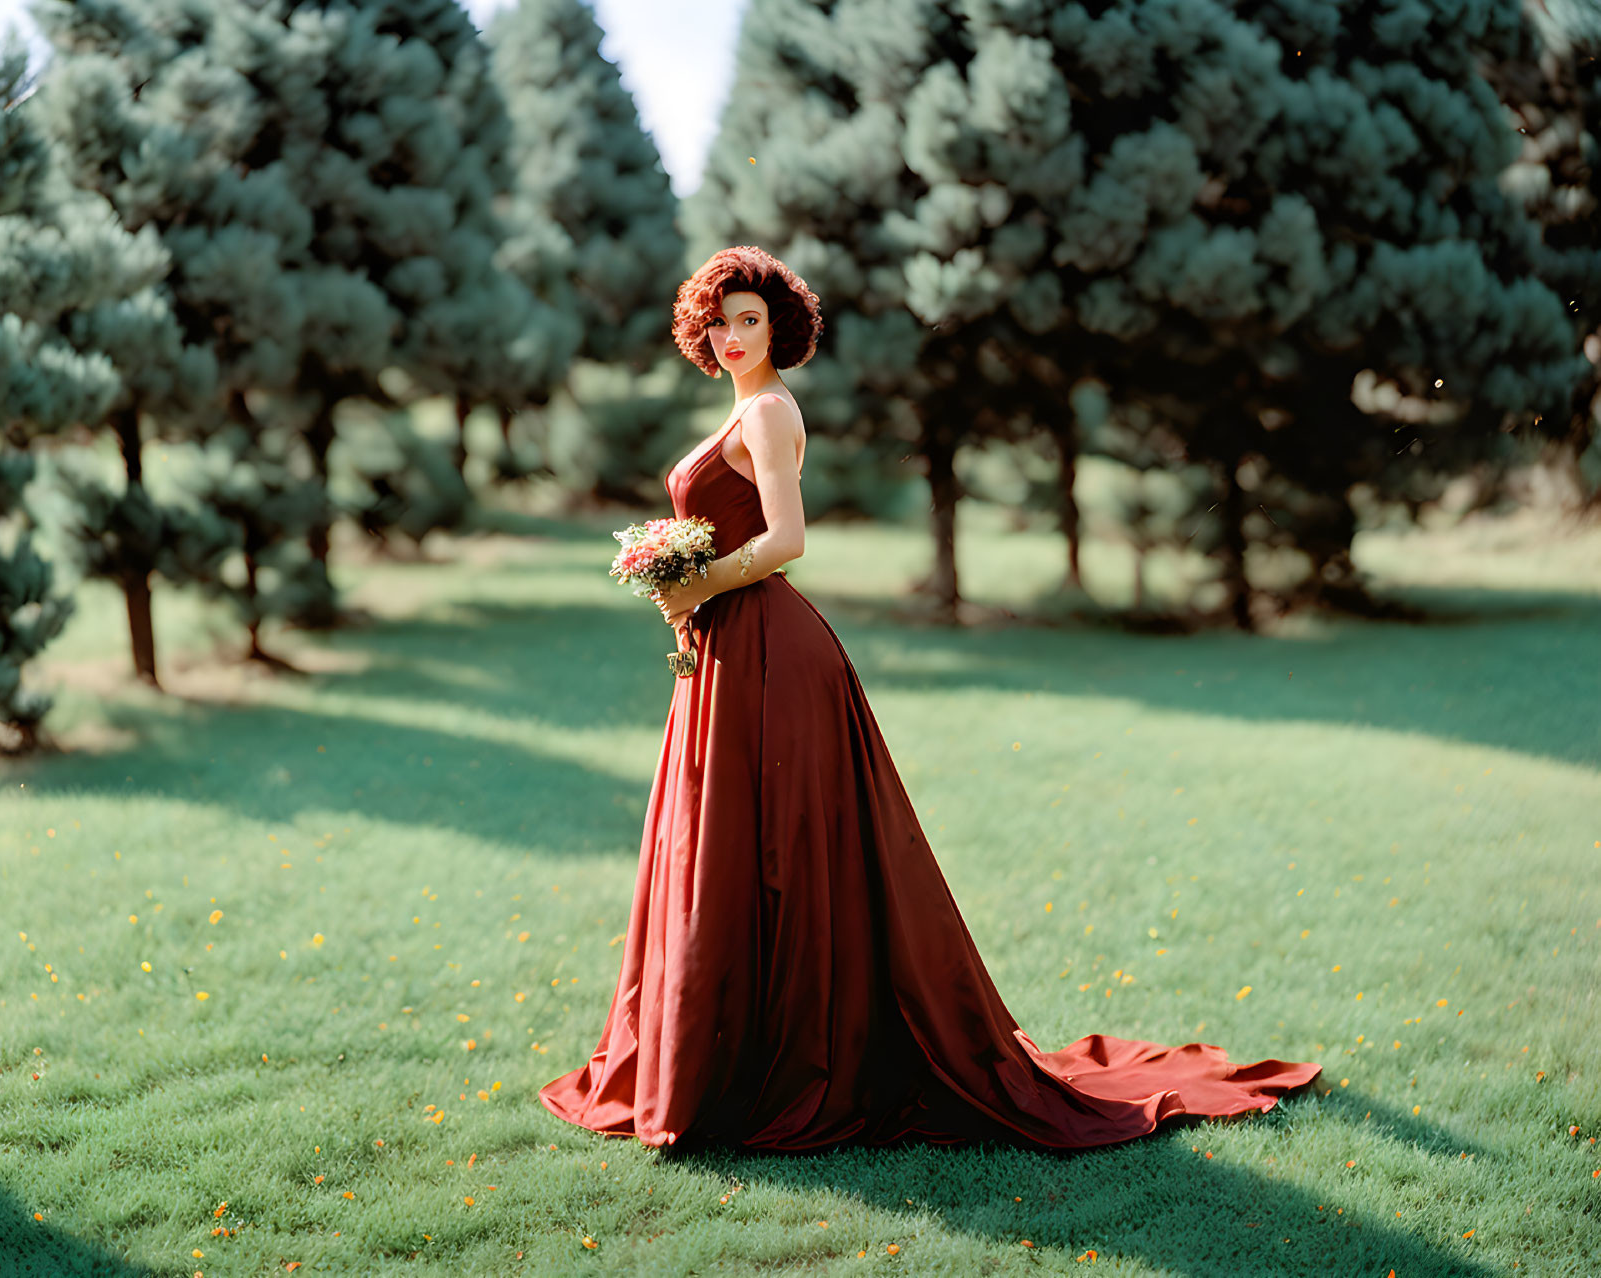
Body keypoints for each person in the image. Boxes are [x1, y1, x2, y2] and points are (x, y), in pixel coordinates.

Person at [538, 245, 1322, 1154]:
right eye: (717, 321)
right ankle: (715, 1056)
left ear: (777, 328)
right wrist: (683, 585)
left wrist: (697, 582)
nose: (732, 335)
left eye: (748, 319)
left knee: (779, 845)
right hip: (727, 647)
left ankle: (781, 1062)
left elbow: (788, 540)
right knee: (721, 841)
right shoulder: (740, 412)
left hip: (770, 654)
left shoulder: (771, 413)